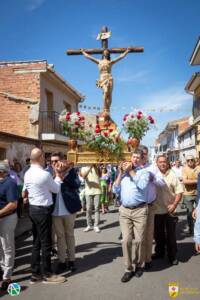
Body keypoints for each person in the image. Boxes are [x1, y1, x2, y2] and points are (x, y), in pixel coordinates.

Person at [23, 148, 65, 284]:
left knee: (36, 242)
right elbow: (56, 189)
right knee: (46, 243)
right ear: (40, 157)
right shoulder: (43, 174)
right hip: (42, 210)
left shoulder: (28, 173)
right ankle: (47, 274)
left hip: (33, 209)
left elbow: (26, 192)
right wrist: (58, 175)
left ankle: (35, 274)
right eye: (44, 157)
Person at [113, 150, 151, 283]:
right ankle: (128, 269)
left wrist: (130, 172)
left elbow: (142, 185)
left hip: (140, 211)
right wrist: (120, 173)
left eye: (137, 158)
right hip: (124, 211)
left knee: (139, 240)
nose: (134, 159)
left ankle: (140, 265)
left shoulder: (144, 173)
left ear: (141, 160)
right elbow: (115, 190)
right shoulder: (123, 175)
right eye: (133, 157)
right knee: (126, 240)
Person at [153, 155, 183, 265]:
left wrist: (175, 204)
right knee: (158, 234)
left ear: (167, 163)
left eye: (164, 162)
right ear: (157, 163)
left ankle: (172, 256)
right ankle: (159, 252)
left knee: (171, 235)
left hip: (170, 210)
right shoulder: (153, 175)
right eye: (160, 162)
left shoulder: (173, 175)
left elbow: (179, 192)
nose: (162, 164)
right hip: (156, 210)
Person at [81, 48, 130, 113]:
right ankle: (104, 108)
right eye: (105, 52)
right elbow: (89, 57)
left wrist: (126, 51)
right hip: (102, 78)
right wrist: (83, 52)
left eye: (107, 53)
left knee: (109, 95)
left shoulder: (110, 62)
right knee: (105, 91)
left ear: (108, 54)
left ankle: (107, 109)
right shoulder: (99, 61)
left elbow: (120, 57)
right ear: (103, 54)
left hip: (109, 78)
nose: (106, 53)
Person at [52, 161, 80, 274]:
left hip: (69, 210)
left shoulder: (71, 173)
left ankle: (72, 260)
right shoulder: (50, 173)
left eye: (57, 161)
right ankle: (62, 261)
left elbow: (77, 184)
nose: (55, 164)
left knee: (69, 235)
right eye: (53, 162)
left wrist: (65, 174)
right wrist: (56, 174)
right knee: (60, 237)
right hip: (55, 211)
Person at [0, 161, 18, 291]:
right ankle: (3, 271)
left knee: (7, 247)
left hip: (7, 218)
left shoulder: (10, 183)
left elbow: (13, 204)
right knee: (1, 248)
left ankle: (7, 277)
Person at [80, 164, 101, 233]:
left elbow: (100, 175)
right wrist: (90, 168)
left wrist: (96, 167)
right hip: (88, 191)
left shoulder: (96, 167)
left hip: (97, 190)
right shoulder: (83, 167)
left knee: (97, 208)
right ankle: (89, 225)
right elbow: (83, 176)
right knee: (88, 209)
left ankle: (96, 225)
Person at [182, 154, 198, 235]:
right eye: (188, 160)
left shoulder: (198, 168)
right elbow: (185, 181)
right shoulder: (185, 169)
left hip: (198, 193)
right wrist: (197, 181)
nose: (190, 161)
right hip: (188, 194)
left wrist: (191, 181)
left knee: (198, 212)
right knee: (190, 212)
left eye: (192, 160)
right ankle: (191, 229)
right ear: (186, 161)